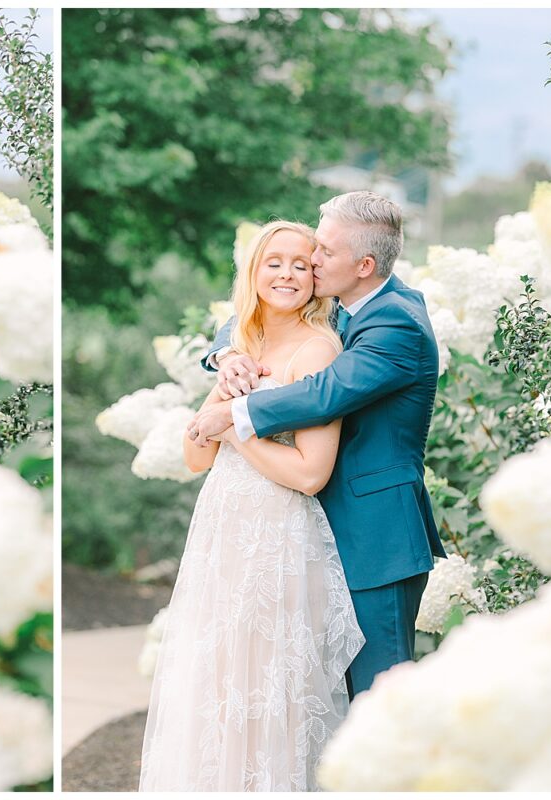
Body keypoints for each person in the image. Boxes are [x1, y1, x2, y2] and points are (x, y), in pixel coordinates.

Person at [187, 191, 445, 698]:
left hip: (376, 541)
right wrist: (226, 353)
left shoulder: (395, 324)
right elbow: (261, 311)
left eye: (323, 252)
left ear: (364, 264)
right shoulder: (352, 305)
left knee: (378, 705)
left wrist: (235, 416)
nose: (311, 261)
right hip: (316, 536)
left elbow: (324, 393)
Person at [139, 220, 365, 791]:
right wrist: (220, 388)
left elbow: (311, 474)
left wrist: (234, 428)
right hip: (222, 534)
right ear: (254, 271)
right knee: (216, 684)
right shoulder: (240, 347)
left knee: (267, 689)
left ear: (316, 277)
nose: (287, 273)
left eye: (300, 263)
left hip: (277, 538)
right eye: (274, 261)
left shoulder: (319, 351)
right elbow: (195, 457)